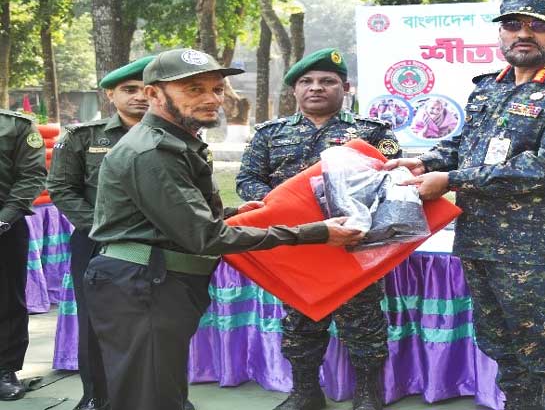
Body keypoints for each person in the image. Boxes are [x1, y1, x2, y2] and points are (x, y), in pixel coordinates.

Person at [83, 48, 364, 410]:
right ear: (153, 94)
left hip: (158, 281)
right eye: (194, 89)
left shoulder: (176, 142)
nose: (211, 99)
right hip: (144, 284)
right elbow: (207, 236)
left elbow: (179, 214)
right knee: (148, 396)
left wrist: (236, 211)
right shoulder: (153, 150)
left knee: (160, 388)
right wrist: (315, 232)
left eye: (216, 89)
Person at [385, 0, 545, 410]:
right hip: (481, 241)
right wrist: (424, 162)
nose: (523, 34)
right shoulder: (489, 88)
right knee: (505, 349)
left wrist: (451, 178)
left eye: (539, 26)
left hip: (543, 250)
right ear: (501, 33)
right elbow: (465, 144)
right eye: (513, 24)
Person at [236, 48, 401, 410]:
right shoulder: (269, 134)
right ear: (294, 90)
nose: (316, 88)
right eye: (306, 82)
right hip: (297, 242)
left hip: (353, 244)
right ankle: (305, 393)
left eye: (327, 81)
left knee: (364, 323)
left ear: (345, 87)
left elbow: (394, 182)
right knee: (299, 321)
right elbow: (247, 179)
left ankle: (367, 395)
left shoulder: (373, 132)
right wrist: (277, 205)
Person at [49, 55, 200, 410]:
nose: (138, 97)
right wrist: (102, 228)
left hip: (163, 245)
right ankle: (96, 396)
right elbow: (62, 189)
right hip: (97, 244)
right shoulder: (84, 137)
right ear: (109, 95)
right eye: (127, 90)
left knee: (164, 328)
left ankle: (168, 398)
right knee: (96, 322)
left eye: (143, 90)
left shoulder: (178, 136)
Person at [0, 109, 46, 401]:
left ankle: (4, 369)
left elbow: (31, 175)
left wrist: (4, 218)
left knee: (6, 300)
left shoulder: (15, 126)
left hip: (4, 227)